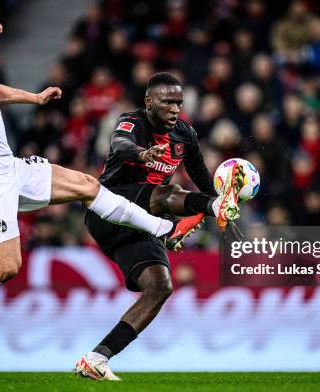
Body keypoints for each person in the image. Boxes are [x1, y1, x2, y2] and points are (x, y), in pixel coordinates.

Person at [0, 7, 204, 361]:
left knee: (87, 185)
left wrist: (34, 98)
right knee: (7, 267)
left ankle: (163, 228)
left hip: (11, 168)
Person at [74, 72, 244, 381]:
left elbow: (202, 178)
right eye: (167, 102)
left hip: (144, 223)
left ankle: (97, 358)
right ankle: (180, 222)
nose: (175, 108)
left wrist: (221, 211)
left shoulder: (185, 134)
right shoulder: (133, 121)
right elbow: (120, 144)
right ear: (149, 101)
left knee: (160, 286)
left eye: (179, 102)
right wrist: (142, 154)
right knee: (168, 194)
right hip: (108, 210)